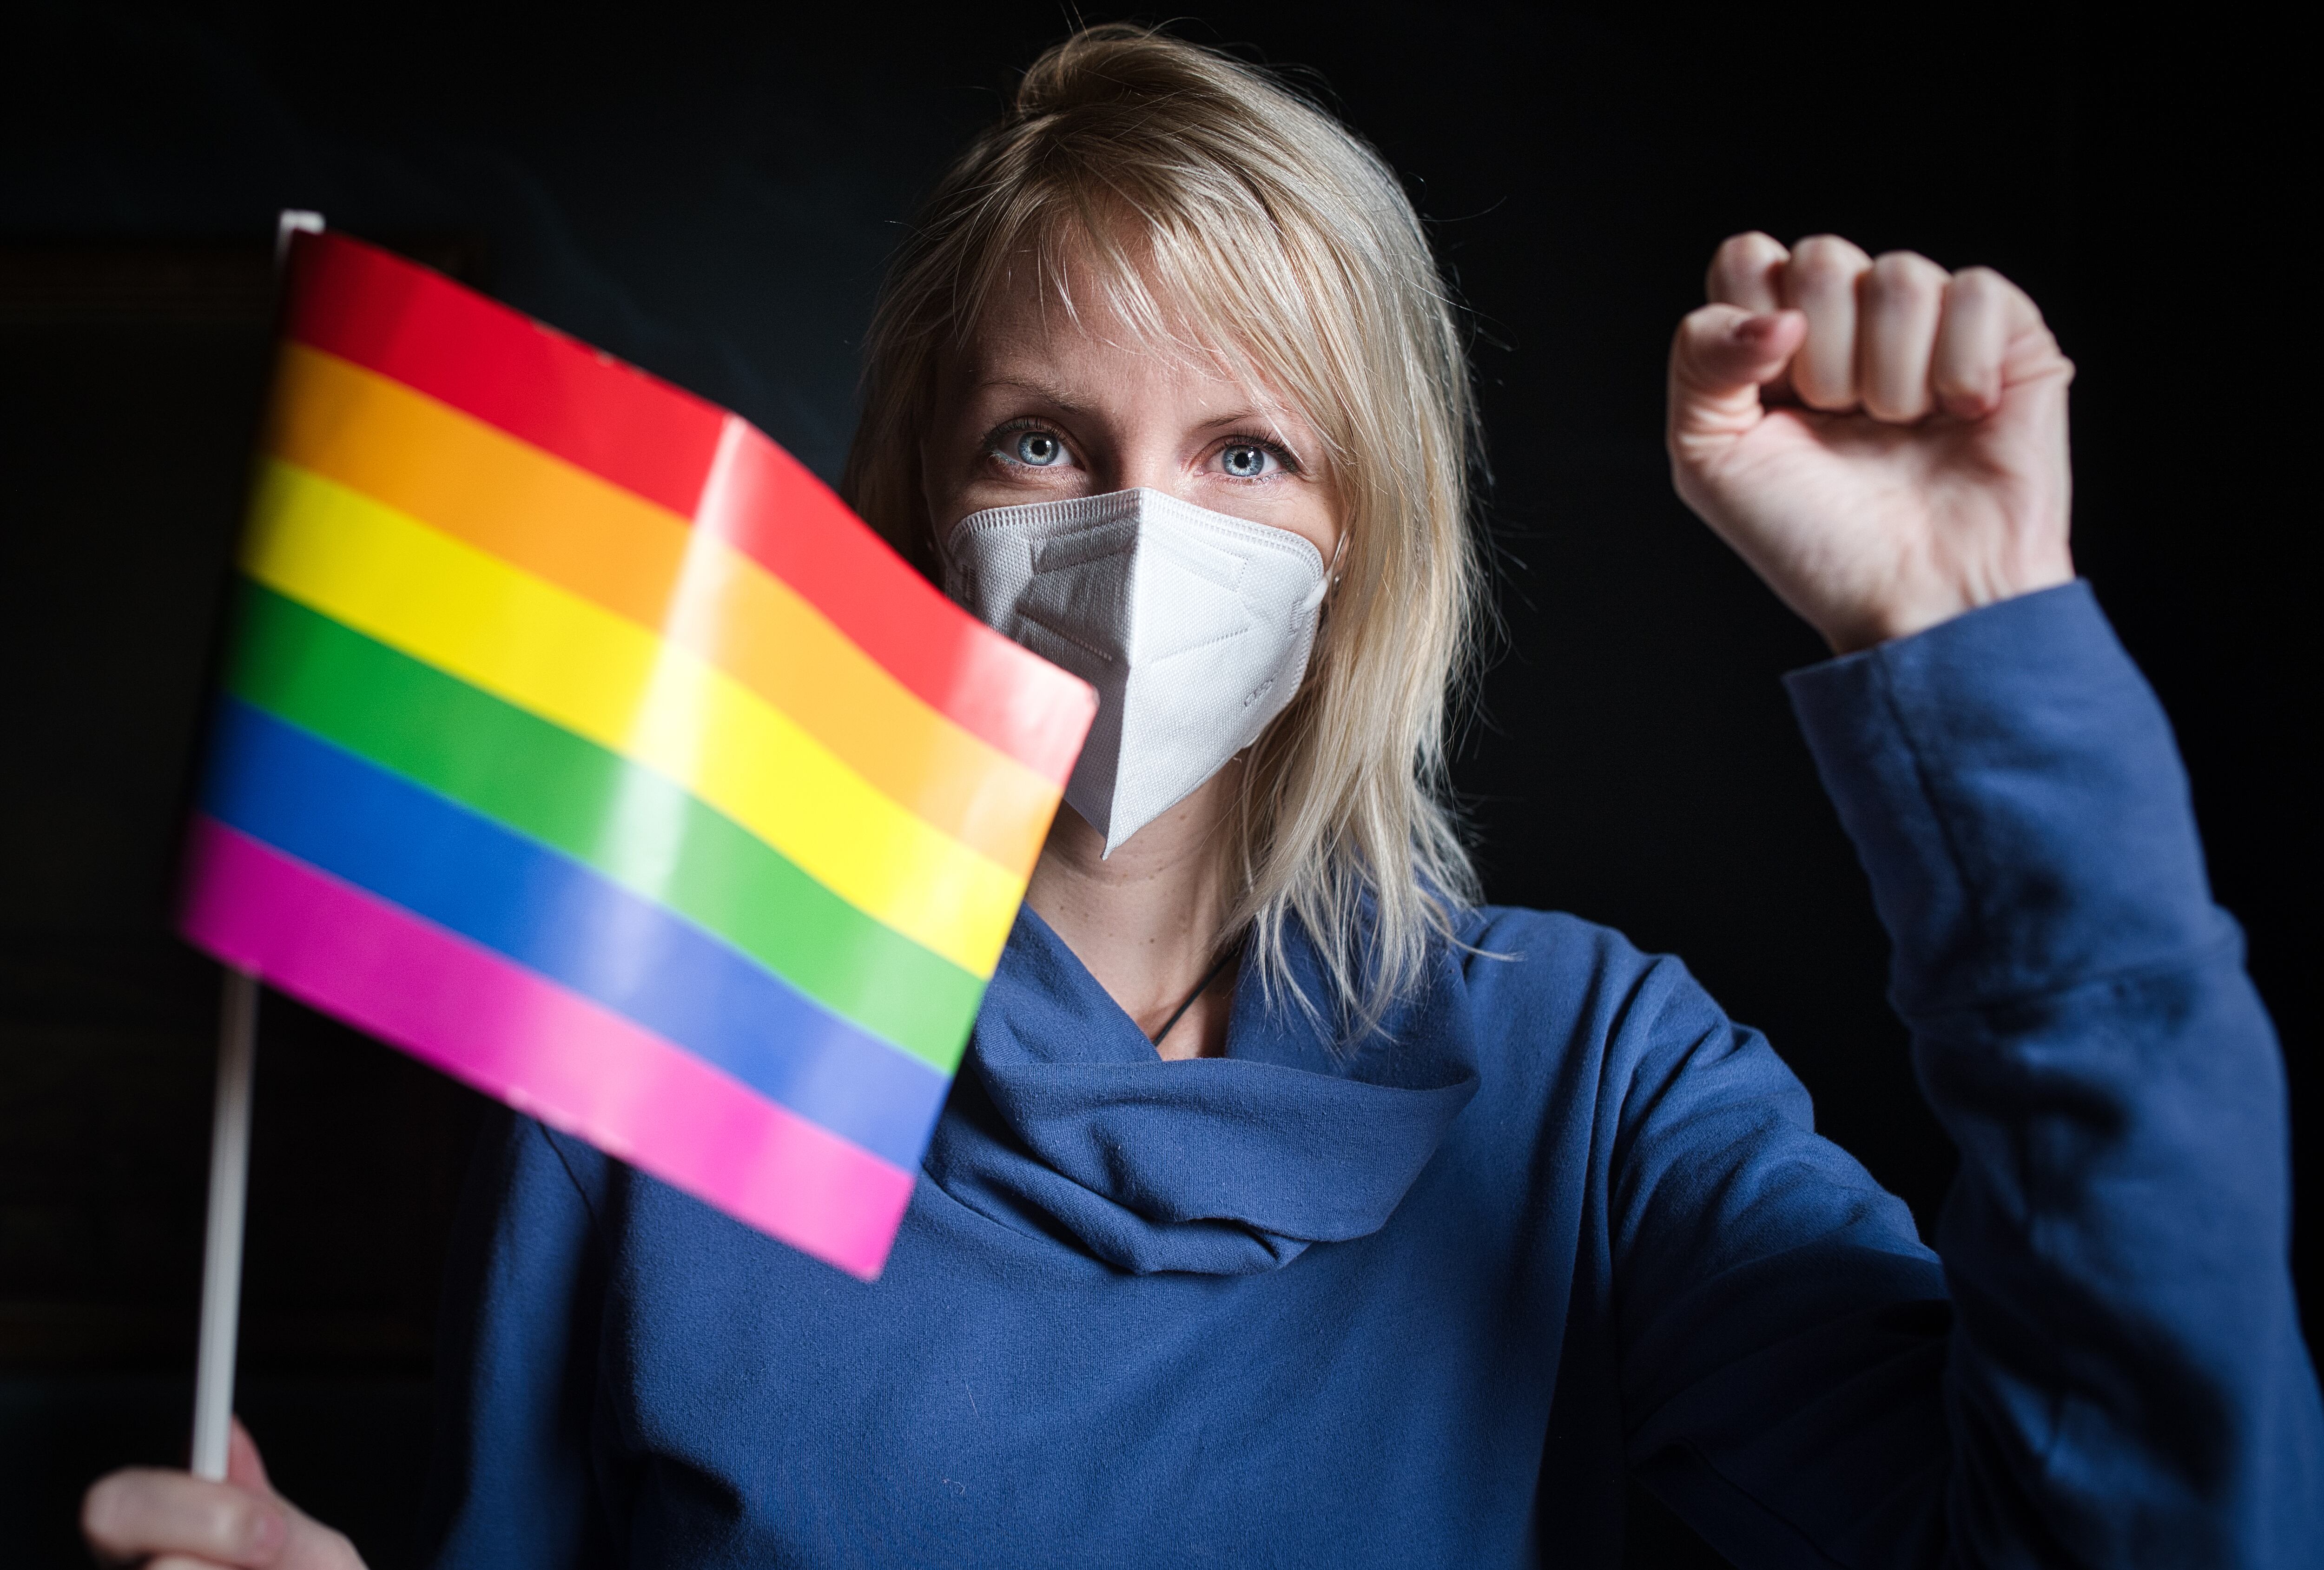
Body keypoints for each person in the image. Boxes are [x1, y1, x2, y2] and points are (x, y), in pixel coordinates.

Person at [83, 24, 2320, 1569]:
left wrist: (1975, 660)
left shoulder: (1588, 1084)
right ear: (921, 500)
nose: (1138, 529)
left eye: (1244, 452)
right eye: (1041, 438)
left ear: (1362, 539)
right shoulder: (666, 1039)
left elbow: (2139, 1526)